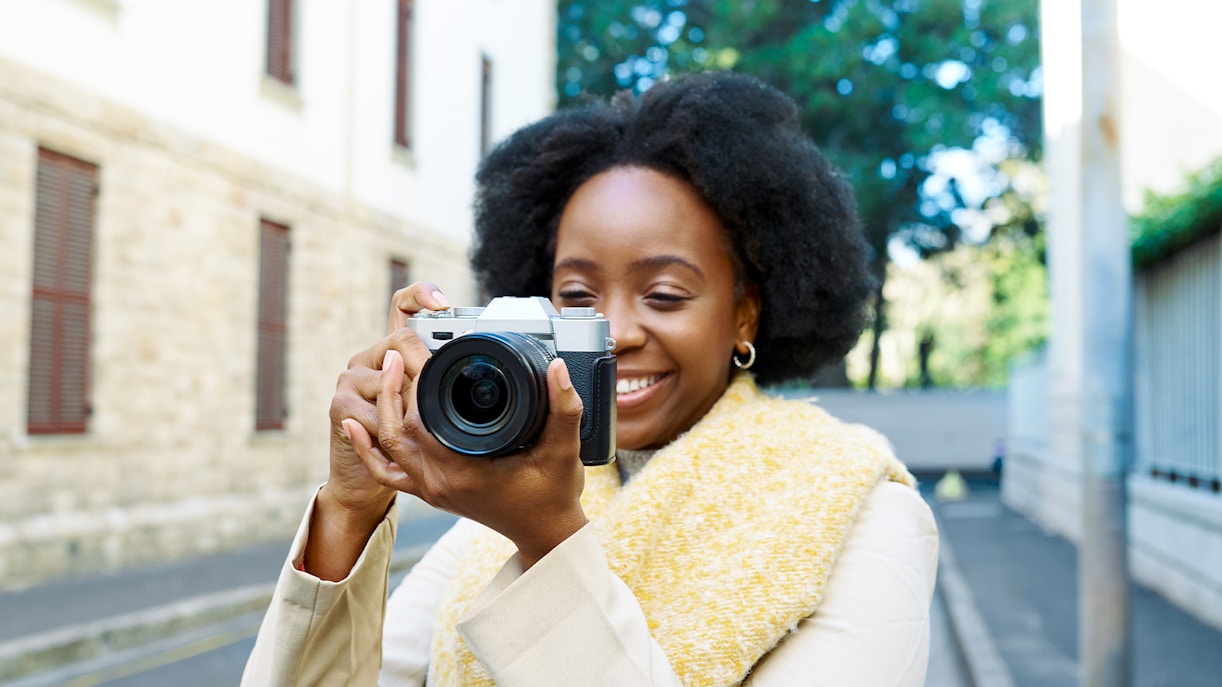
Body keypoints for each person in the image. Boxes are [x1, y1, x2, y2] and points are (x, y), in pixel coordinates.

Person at [242, 72, 938, 686]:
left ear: (745, 314)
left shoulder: (866, 512)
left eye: (664, 294)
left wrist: (549, 541)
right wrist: (348, 511)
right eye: (576, 299)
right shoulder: (500, 512)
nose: (615, 331)